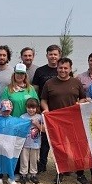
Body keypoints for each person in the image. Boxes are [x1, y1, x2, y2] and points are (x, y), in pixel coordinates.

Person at [40, 57, 91, 184]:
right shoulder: (49, 83)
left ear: (70, 69)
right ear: (57, 68)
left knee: (77, 147)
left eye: (65, 68)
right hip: (56, 122)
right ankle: (60, 171)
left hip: (74, 121)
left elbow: (82, 99)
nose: (63, 70)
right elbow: (43, 100)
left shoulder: (76, 82)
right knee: (59, 147)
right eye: (60, 68)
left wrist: (82, 102)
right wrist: (46, 110)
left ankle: (80, 174)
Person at [32, 44, 61, 173]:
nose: (53, 56)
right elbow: (35, 90)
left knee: (60, 139)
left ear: (59, 55)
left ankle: (61, 165)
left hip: (60, 110)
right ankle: (42, 164)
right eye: (51, 54)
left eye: (55, 54)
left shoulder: (63, 69)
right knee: (44, 139)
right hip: (45, 109)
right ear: (47, 55)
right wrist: (38, 107)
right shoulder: (40, 71)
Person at [19, 98, 43, 184]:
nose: (31, 110)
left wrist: (37, 124)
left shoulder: (39, 117)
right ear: (26, 107)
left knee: (34, 159)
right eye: (29, 107)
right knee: (24, 159)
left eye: (33, 108)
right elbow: (19, 129)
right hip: (24, 143)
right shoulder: (22, 117)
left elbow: (43, 130)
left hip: (35, 143)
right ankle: (23, 174)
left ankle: (33, 174)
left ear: (36, 108)